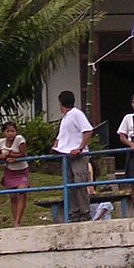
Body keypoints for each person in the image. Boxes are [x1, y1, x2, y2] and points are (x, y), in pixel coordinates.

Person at [51, 90, 93, 223]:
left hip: (77, 155)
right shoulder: (65, 118)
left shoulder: (76, 114)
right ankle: (73, 212)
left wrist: (80, 148)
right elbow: (61, 138)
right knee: (69, 185)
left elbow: (88, 130)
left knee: (80, 183)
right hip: (65, 155)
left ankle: (84, 212)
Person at [0, 122, 29, 226]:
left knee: (22, 192)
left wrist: (10, 154)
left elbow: (22, 154)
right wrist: (2, 157)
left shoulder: (19, 139)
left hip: (21, 170)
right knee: (12, 197)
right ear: (3, 133)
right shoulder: (1, 142)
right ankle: (15, 220)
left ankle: (17, 221)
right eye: (8, 131)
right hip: (9, 171)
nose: (10, 133)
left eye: (13, 131)